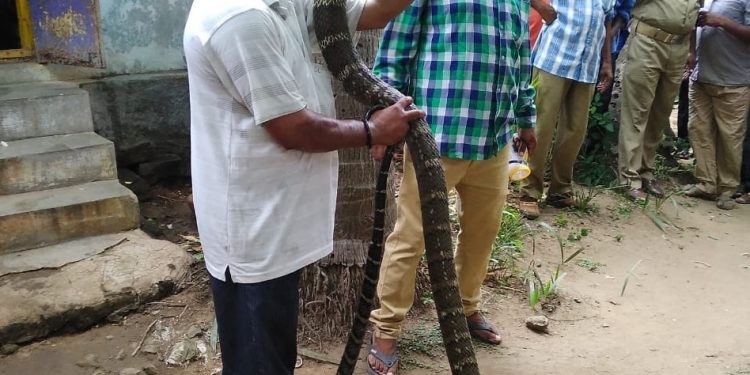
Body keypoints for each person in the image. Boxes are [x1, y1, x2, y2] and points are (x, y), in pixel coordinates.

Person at [182, 0, 425, 373]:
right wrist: (373, 131)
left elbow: (372, 12)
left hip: (278, 219)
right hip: (254, 229)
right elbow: (292, 128)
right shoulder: (239, 16)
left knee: (271, 352)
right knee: (260, 361)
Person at [366, 0, 538, 372]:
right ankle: (385, 328)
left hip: (494, 141)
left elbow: (521, 61)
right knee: (411, 236)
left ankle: (465, 307)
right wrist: (383, 114)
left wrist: (526, 117)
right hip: (436, 139)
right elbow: (395, 51)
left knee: (482, 231)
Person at [517, 0, 614, 219]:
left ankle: (560, 190)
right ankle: (529, 192)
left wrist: (606, 61)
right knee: (541, 126)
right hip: (555, 56)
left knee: (575, 130)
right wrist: (543, 8)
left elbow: (605, 19)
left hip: (587, 64)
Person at [617, 0, 701, 201]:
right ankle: (629, 177)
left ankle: (646, 172)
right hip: (648, 41)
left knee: (660, 115)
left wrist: (691, 49)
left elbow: (694, 12)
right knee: (637, 111)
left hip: (678, 48)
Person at [684, 0, 750, 210]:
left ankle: (727, 189)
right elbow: (696, 21)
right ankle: (706, 183)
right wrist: (691, 51)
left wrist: (721, 21)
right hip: (701, 76)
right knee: (698, 130)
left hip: (733, 81)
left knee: (730, 137)